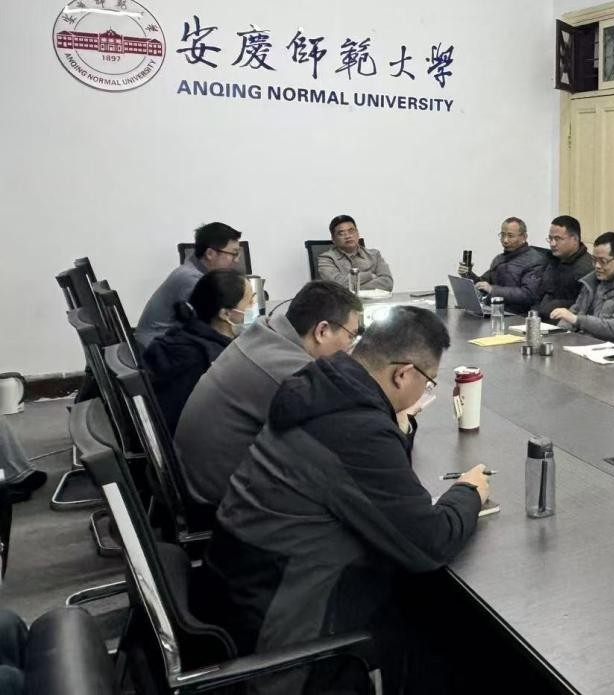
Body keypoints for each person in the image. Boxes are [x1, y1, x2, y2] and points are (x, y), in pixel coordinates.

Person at [203, 306, 488, 694]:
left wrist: (396, 427)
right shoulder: (357, 427)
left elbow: (367, 483)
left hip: (246, 587)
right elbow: (430, 542)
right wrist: (469, 492)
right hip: (288, 634)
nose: (426, 391)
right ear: (403, 374)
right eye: (429, 382)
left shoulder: (321, 384)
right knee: (446, 630)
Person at [175, 280, 363, 508]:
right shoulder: (292, 372)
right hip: (217, 505)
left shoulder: (263, 332)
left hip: (193, 480)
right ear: (322, 331)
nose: (350, 346)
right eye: (351, 335)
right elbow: (346, 436)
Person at [142, 269, 254, 434]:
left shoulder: (183, 335)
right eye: (250, 302)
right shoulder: (206, 360)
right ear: (225, 314)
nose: (254, 307)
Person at [136, 221, 242, 348]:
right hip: (157, 346)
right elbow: (215, 323)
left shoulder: (194, 270)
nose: (237, 260)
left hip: (167, 340)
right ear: (210, 254)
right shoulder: (191, 279)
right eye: (234, 254)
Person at [550, 232, 614, 346]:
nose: (597, 266)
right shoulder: (592, 280)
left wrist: (577, 320)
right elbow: (575, 310)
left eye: (603, 261)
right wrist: (559, 334)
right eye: (594, 260)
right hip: (582, 341)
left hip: (609, 348)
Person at [459, 216, 547, 314]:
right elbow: (483, 285)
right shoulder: (499, 259)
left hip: (518, 316)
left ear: (524, 237)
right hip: (494, 310)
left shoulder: (535, 260)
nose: (505, 240)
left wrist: (492, 289)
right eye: (502, 235)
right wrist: (468, 274)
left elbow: (528, 294)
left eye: (510, 236)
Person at [533, 215, 594, 316]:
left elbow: (582, 307)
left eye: (557, 239)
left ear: (575, 240)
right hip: (537, 316)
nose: (552, 244)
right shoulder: (550, 259)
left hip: (561, 321)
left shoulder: (587, 269)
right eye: (550, 238)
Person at [316, 215, 393, 291]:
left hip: (373, 299)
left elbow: (387, 283)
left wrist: (351, 287)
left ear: (357, 233)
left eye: (351, 231)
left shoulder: (374, 255)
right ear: (333, 239)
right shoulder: (326, 259)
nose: (348, 236)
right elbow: (336, 286)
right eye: (341, 233)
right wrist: (369, 276)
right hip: (344, 300)